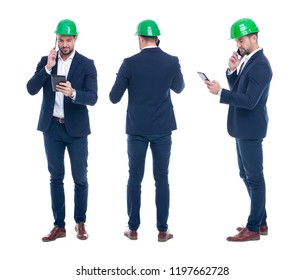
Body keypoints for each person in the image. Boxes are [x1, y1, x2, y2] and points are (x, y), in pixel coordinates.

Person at [109, 19, 185, 242]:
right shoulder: (171, 61)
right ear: (157, 38)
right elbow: (179, 88)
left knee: (135, 177)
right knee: (161, 178)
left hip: (137, 128)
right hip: (162, 127)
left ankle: (133, 229)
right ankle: (162, 230)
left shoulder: (129, 63)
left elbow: (114, 98)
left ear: (140, 39)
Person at [26, 19, 98, 242]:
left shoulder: (87, 64)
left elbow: (93, 97)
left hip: (76, 130)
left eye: (68, 40)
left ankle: (80, 222)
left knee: (80, 178)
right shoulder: (47, 61)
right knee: (56, 177)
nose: (64, 44)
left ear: (76, 38)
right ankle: (59, 226)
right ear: (56, 39)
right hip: (52, 129)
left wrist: (73, 93)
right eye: (60, 40)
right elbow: (30, 89)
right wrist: (47, 68)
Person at [204, 18, 272, 241]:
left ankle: (253, 228)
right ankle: (260, 222)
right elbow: (240, 93)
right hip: (242, 128)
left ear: (254, 37)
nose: (238, 45)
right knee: (245, 174)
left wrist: (220, 93)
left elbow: (250, 101)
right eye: (236, 41)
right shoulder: (249, 61)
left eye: (241, 40)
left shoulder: (261, 64)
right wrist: (232, 71)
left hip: (251, 129)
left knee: (254, 178)